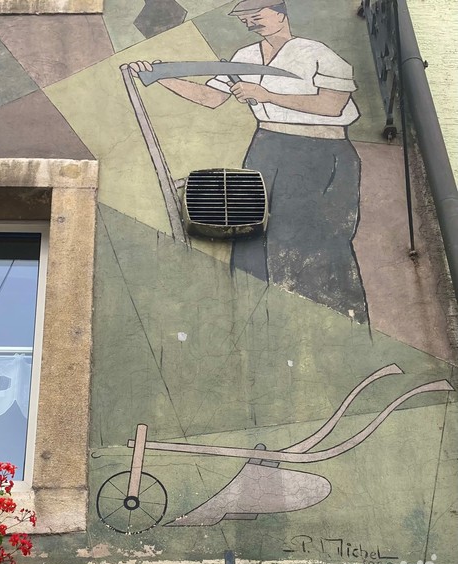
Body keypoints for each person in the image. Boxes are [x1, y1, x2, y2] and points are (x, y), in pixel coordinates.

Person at [130, 0, 368, 323]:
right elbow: (210, 97)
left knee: (315, 244)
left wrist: (266, 94)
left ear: (281, 13)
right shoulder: (244, 58)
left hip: (322, 153)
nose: (250, 22)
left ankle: (335, 321)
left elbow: (332, 105)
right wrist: (158, 78)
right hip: (267, 147)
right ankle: (255, 322)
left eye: (256, 15)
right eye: (245, 18)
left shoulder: (317, 53)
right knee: (252, 242)